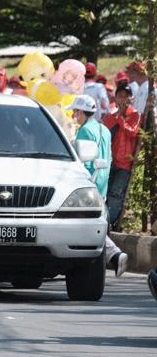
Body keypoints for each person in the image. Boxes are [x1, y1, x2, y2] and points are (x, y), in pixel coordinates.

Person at [68, 95, 127, 276]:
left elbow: (85, 162)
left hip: (89, 183)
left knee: (86, 223)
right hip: (102, 182)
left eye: (75, 112)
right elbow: (107, 158)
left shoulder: (85, 131)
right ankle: (114, 256)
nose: (74, 116)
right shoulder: (104, 130)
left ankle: (114, 255)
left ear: (81, 112)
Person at [103, 85, 140, 229]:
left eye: (126, 95)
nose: (123, 99)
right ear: (115, 98)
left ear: (131, 98)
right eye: (120, 96)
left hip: (125, 163)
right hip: (109, 162)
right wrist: (117, 117)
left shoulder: (136, 116)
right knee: (105, 192)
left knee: (116, 194)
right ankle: (104, 221)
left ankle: (110, 224)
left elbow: (132, 132)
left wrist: (120, 118)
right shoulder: (109, 118)